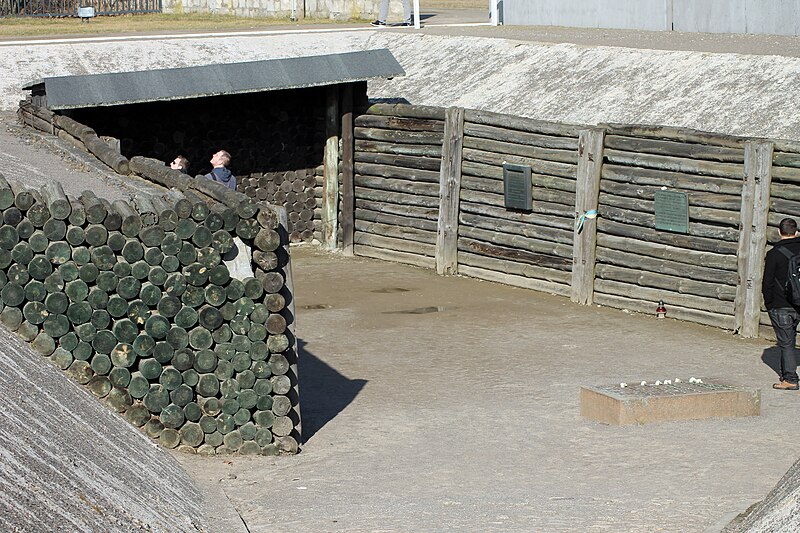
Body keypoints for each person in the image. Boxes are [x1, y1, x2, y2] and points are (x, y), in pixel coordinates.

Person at [762, 217, 800, 390]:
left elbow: (767, 282)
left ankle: (790, 379)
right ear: (796, 232)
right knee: (790, 338)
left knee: (786, 342)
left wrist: (769, 303)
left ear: (779, 232)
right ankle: (788, 376)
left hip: (781, 304)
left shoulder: (774, 254)